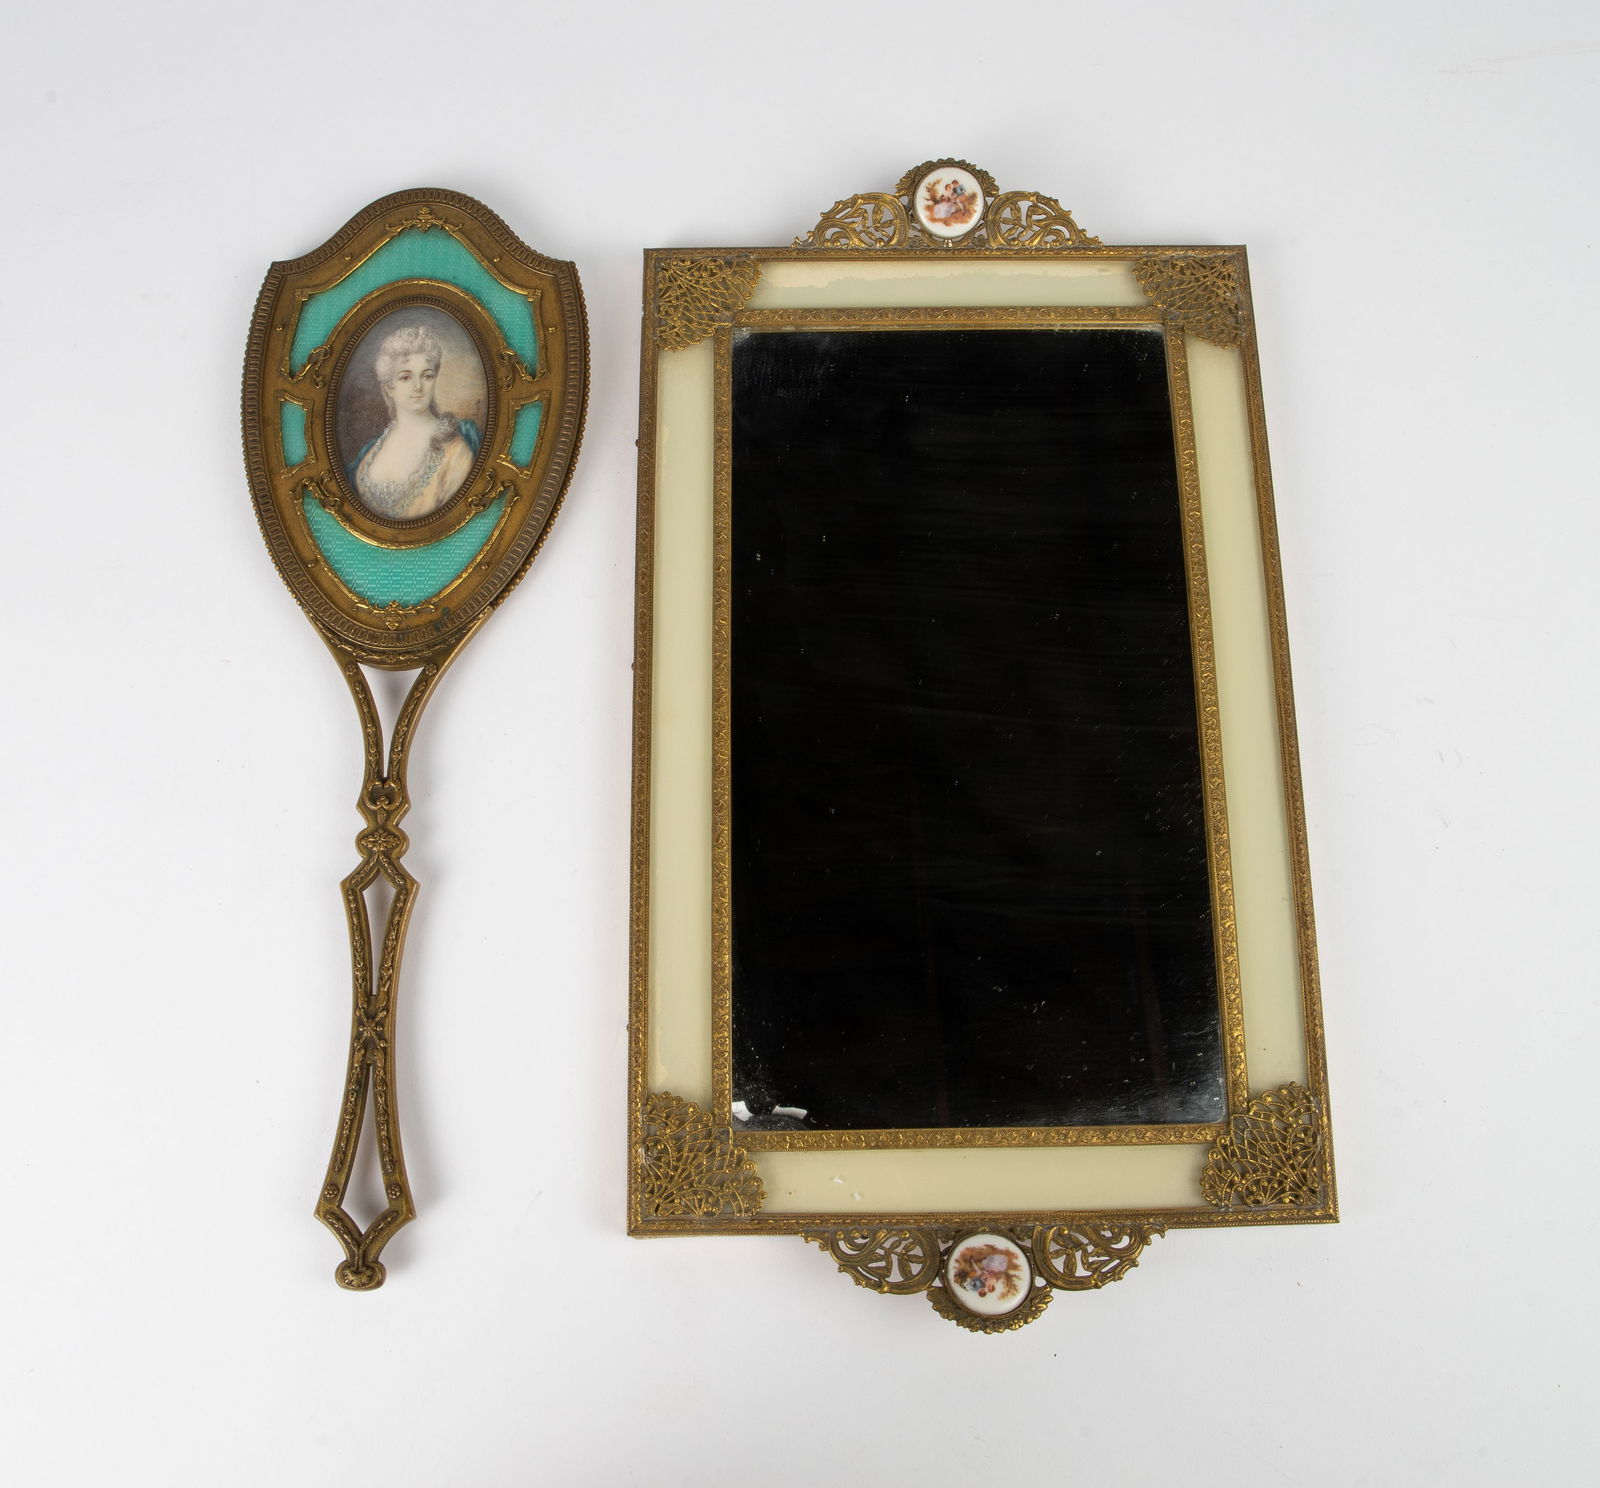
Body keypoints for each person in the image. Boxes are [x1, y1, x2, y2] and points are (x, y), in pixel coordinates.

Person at [349, 324, 481, 519]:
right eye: (405, 377)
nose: (418, 386)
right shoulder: (369, 452)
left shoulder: (456, 452)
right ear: (389, 387)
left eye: (427, 376)